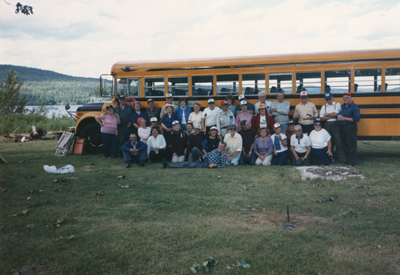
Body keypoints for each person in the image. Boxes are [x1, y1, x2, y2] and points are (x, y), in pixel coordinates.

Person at [319, 92, 345, 163]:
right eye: (327, 99)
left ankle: (342, 159)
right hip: (327, 125)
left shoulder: (337, 104)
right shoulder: (323, 106)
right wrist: (332, 116)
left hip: (335, 124)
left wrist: (326, 114)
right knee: (328, 141)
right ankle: (328, 158)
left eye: (329, 98)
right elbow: (321, 118)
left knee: (338, 142)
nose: (328, 100)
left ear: (332, 97)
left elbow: (336, 114)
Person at [338, 92, 360, 166]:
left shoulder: (354, 107)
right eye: (344, 98)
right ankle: (347, 161)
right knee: (345, 145)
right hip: (343, 127)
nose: (345, 99)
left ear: (351, 98)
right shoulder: (343, 107)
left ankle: (352, 162)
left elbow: (356, 119)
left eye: (347, 97)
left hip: (350, 127)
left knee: (351, 145)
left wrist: (345, 119)